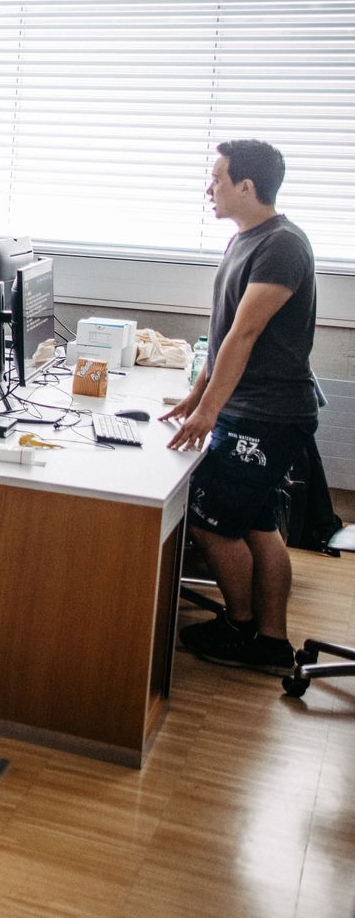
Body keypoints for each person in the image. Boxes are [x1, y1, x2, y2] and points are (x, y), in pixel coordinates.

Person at [168, 139, 318, 674]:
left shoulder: (282, 246)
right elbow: (224, 333)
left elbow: (247, 334)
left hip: (268, 413)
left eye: (217, 179)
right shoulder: (246, 240)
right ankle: (271, 640)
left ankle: (240, 626)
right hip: (252, 406)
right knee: (256, 522)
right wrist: (196, 396)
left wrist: (208, 410)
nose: (208, 188)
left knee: (208, 516)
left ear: (246, 187)